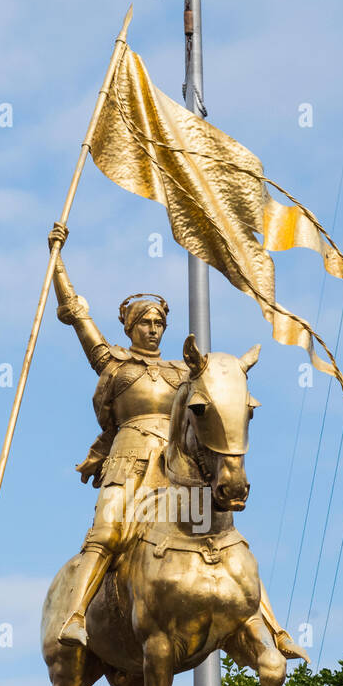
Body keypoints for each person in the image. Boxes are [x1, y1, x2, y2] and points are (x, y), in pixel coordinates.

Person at [49, 222, 305, 661]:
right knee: (108, 533)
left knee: (219, 533)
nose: (152, 329)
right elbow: (76, 314)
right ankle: (74, 615)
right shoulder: (113, 362)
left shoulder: (181, 372)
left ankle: (272, 628)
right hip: (128, 461)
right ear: (129, 327)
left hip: (174, 465)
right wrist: (57, 261)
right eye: (145, 322)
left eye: (159, 323)